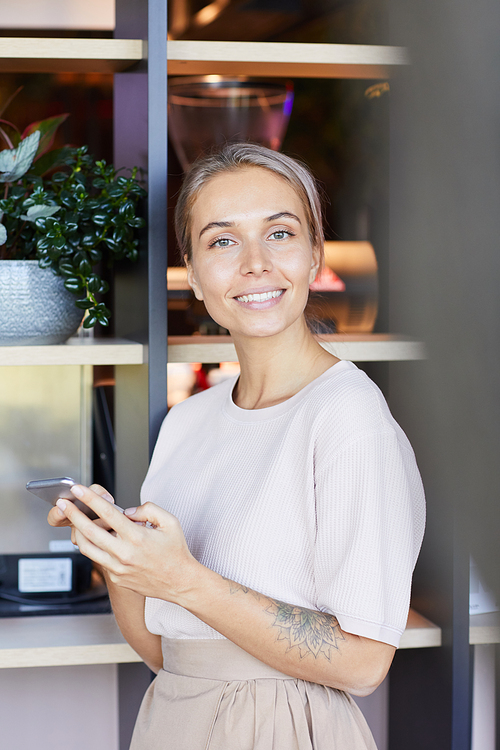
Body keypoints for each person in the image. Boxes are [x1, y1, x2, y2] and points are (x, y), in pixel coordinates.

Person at [48, 142, 425, 750]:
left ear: (314, 256)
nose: (255, 264)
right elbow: (162, 650)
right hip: (173, 719)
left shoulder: (349, 418)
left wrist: (183, 577)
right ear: (193, 274)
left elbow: (363, 663)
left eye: (280, 233)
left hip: (286, 730)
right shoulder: (187, 422)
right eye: (222, 241)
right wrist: (121, 561)